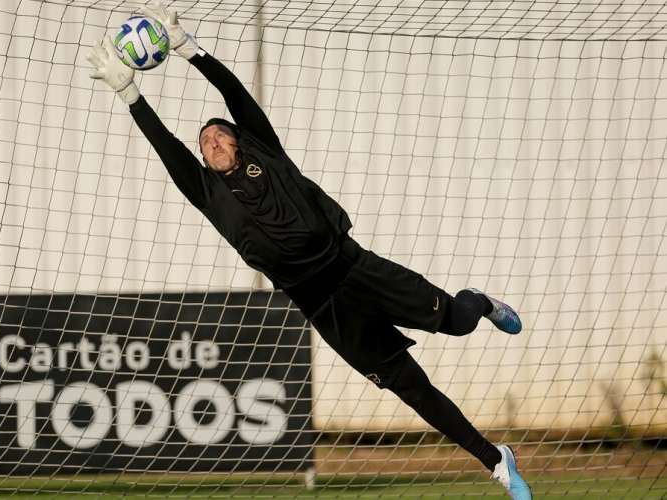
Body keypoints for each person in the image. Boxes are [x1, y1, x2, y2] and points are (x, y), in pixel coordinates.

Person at [87, 3, 533, 498]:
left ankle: (481, 301)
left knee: (457, 320)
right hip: (323, 305)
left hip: (358, 268)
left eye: (219, 135)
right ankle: (497, 463)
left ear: (240, 143)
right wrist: (129, 93)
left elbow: (234, 96)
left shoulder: (267, 154)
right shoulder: (208, 193)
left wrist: (191, 50)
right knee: (411, 387)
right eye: (204, 142)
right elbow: (167, 145)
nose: (211, 142)